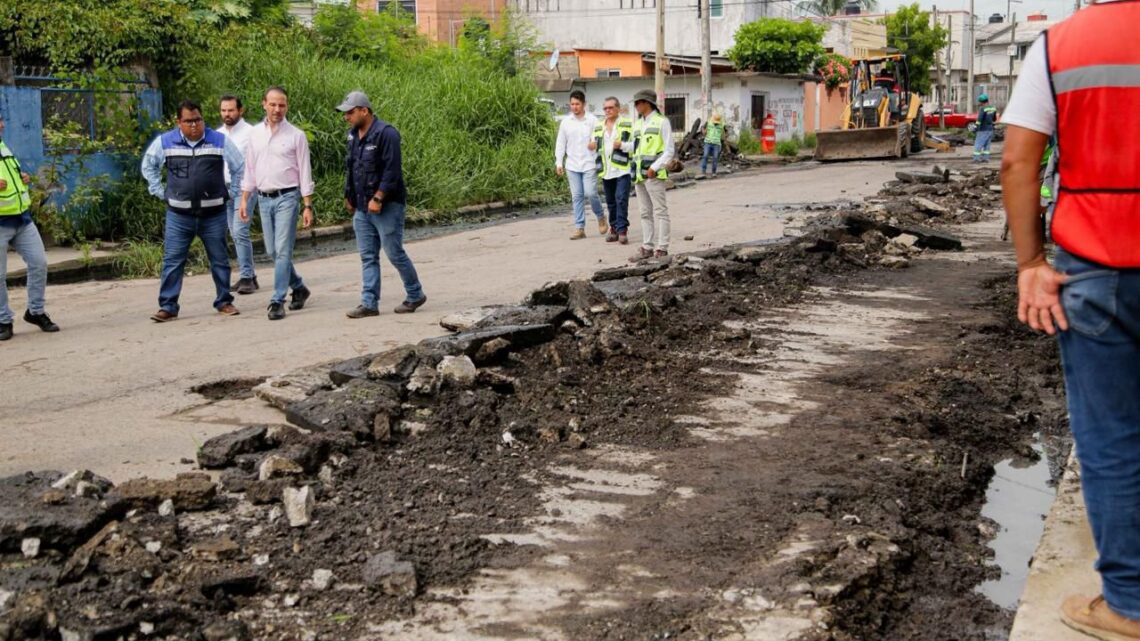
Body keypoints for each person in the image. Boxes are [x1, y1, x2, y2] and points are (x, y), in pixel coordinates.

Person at [1000, 3, 1140, 640]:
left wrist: (1030, 261)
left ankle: (1128, 605)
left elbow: (1018, 162)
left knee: (1111, 439)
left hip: (1098, 267)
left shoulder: (1063, 45)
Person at [141, 99, 244, 322]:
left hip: (213, 214)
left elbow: (240, 167)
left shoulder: (219, 141)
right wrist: (160, 191)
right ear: (179, 122)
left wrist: (233, 193)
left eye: (198, 119)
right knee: (172, 261)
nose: (195, 125)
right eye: (189, 121)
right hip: (179, 216)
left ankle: (224, 301)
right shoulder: (165, 142)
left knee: (219, 259)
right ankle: (168, 306)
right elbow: (149, 165)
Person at [336, 91, 427, 318]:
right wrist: (349, 195)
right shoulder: (353, 136)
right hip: (362, 207)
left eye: (350, 112)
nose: (346, 117)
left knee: (394, 252)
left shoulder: (387, 134)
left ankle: (415, 294)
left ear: (364, 110)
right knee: (368, 256)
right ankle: (369, 303)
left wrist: (378, 197)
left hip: (386, 206)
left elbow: (392, 171)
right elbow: (352, 168)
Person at [240, 86, 314, 321]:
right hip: (263, 198)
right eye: (272, 104)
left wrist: (307, 205)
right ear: (264, 104)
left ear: (287, 106)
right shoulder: (254, 135)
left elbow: (304, 171)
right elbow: (250, 168)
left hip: (288, 197)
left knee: (283, 250)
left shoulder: (296, 135)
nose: (277, 109)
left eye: (281, 105)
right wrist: (244, 199)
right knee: (272, 250)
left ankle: (277, 299)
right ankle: (299, 286)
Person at [0, 112, 58, 340]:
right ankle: (3, 320)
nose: (1, 124)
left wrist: (21, 177)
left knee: (39, 263)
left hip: (21, 219)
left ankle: (35, 311)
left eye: (1, 119)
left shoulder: (3, 147)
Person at [218, 95, 259, 295]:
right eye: (224, 110)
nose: (227, 114)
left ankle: (246, 277)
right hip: (224, 188)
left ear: (240, 111)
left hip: (245, 188)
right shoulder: (217, 135)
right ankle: (250, 275)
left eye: (231, 110)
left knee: (240, 230)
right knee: (234, 232)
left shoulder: (252, 133)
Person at [628, 88, 674, 262]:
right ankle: (647, 246)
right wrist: (619, 146)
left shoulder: (662, 122)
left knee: (660, 211)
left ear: (647, 103)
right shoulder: (638, 124)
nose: (636, 106)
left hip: (654, 175)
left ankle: (662, 247)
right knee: (644, 212)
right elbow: (635, 147)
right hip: (639, 174)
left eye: (638, 103)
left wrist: (655, 167)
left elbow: (669, 150)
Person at [555, 89, 606, 240]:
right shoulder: (566, 122)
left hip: (589, 162)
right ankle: (580, 228)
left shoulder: (592, 121)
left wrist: (594, 143)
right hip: (572, 164)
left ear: (584, 104)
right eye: (572, 104)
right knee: (576, 196)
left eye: (577, 104)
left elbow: (599, 138)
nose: (574, 107)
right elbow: (560, 143)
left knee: (591, 193)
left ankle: (600, 216)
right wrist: (559, 162)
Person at [592, 96, 634, 244]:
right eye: (605, 108)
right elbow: (594, 147)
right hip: (606, 170)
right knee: (610, 201)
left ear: (618, 108)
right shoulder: (598, 126)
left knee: (621, 199)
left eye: (610, 108)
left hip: (622, 169)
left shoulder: (628, 124)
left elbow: (636, 145)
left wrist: (622, 145)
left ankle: (622, 230)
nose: (607, 111)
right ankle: (614, 228)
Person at [973, 94, 998, 163]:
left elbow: (979, 120)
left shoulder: (983, 108)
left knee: (978, 144)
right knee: (987, 145)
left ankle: (976, 159)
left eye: (979, 102)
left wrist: (975, 128)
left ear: (981, 102)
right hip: (990, 129)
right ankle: (986, 159)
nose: (979, 103)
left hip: (983, 130)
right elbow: (994, 119)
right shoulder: (993, 108)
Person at [700, 113, 725, 177]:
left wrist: (723, 139)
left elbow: (725, 133)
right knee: (705, 156)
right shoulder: (708, 122)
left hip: (716, 144)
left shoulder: (722, 125)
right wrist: (703, 131)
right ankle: (703, 171)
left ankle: (714, 172)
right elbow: (702, 128)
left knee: (715, 158)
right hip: (708, 142)